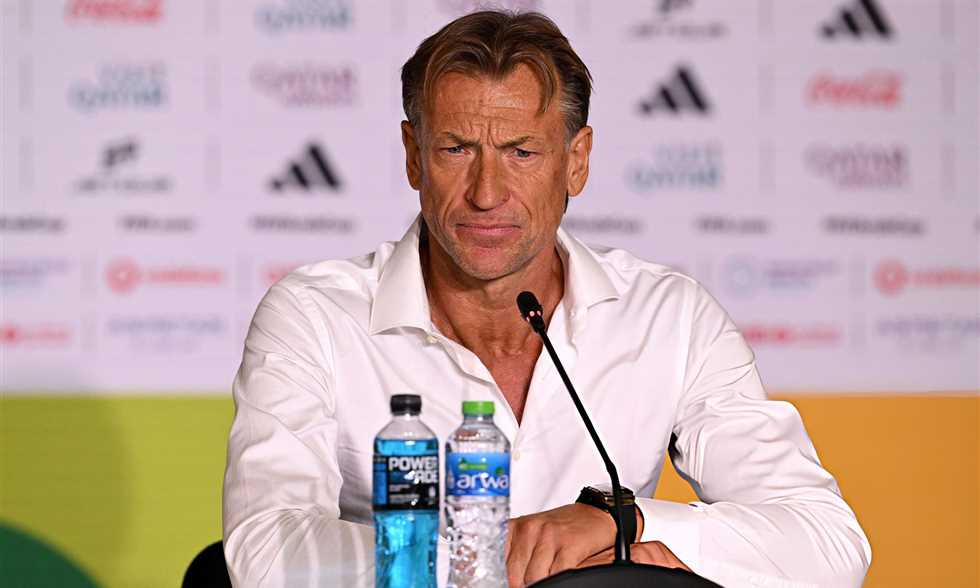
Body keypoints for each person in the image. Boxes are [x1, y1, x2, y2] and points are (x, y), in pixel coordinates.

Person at [222, 10, 871, 588]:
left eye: (522, 152)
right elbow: (264, 553)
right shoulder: (314, 316)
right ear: (414, 156)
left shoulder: (670, 317)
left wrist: (627, 522)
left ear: (576, 161)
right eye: (456, 149)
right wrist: (486, 558)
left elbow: (829, 545)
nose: (486, 193)